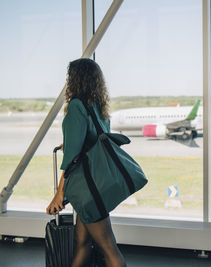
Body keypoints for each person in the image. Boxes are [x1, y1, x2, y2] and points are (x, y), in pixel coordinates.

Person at [46, 58, 127, 267]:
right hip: (98, 184)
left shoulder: (76, 106)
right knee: (81, 242)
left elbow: (73, 155)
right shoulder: (99, 109)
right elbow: (95, 142)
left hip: (88, 188)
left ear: (75, 79)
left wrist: (59, 192)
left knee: (109, 249)